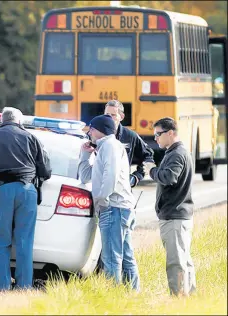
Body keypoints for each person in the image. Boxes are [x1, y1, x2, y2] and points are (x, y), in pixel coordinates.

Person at [0, 107, 52, 291]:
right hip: (27, 191)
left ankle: (2, 287)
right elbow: (46, 171)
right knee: (25, 241)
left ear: (2, 120)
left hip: (2, 190)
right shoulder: (31, 138)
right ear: (19, 121)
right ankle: (24, 287)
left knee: (1, 240)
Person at [78, 114, 140, 291]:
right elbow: (85, 176)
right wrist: (84, 155)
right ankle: (133, 296)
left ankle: (114, 299)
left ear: (98, 130)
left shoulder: (110, 146)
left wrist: (101, 201)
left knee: (112, 258)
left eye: (90, 129)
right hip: (119, 208)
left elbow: (110, 178)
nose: (89, 133)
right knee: (125, 257)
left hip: (114, 208)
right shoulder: (103, 148)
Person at [143, 117, 196, 296]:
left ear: (171, 133)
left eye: (158, 134)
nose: (156, 138)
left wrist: (151, 170)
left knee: (176, 261)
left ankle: (179, 299)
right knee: (184, 259)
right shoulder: (175, 151)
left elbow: (169, 177)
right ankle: (191, 297)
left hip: (175, 217)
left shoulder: (176, 154)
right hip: (179, 215)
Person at [104, 99, 155, 187]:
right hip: (101, 187)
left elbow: (147, 156)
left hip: (122, 189)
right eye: (107, 115)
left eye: (113, 115)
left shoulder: (130, 136)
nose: (109, 118)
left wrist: (136, 177)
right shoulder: (96, 134)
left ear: (122, 117)